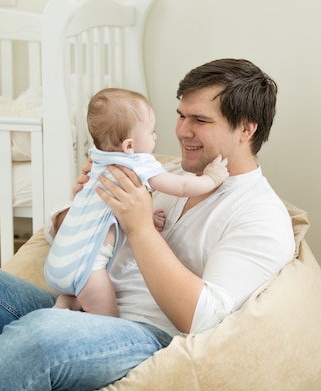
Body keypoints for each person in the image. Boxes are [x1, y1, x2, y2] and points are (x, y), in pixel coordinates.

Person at [0, 58, 296, 391]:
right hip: (83, 306)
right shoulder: (164, 173)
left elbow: (202, 318)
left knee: (44, 332)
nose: (181, 130)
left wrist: (140, 227)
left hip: (147, 336)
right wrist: (83, 206)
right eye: (180, 115)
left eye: (199, 120)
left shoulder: (259, 214)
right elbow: (56, 234)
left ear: (247, 129)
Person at [45, 87, 229, 317]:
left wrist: (145, 222)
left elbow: (112, 213)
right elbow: (182, 187)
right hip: (90, 272)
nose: (157, 136)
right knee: (106, 321)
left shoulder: (99, 158)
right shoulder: (141, 164)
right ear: (129, 146)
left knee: (47, 322)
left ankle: (64, 306)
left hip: (62, 264)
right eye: (152, 131)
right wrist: (212, 177)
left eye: (200, 120)